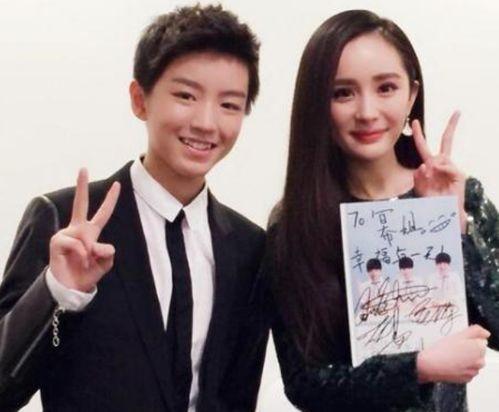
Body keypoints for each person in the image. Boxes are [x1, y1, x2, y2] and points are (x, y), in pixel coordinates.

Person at [0, 5, 268, 412]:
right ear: (140, 99)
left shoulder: (249, 248)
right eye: (186, 96)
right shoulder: (64, 220)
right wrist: (58, 292)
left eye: (229, 104)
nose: (206, 122)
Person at [264, 9, 499, 411]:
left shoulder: (463, 196)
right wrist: (417, 368)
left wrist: (454, 225)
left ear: (411, 95)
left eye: (386, 87)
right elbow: (304, 384)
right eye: (343, 93)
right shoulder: (296, 223)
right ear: (318, 104)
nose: (367, 111)